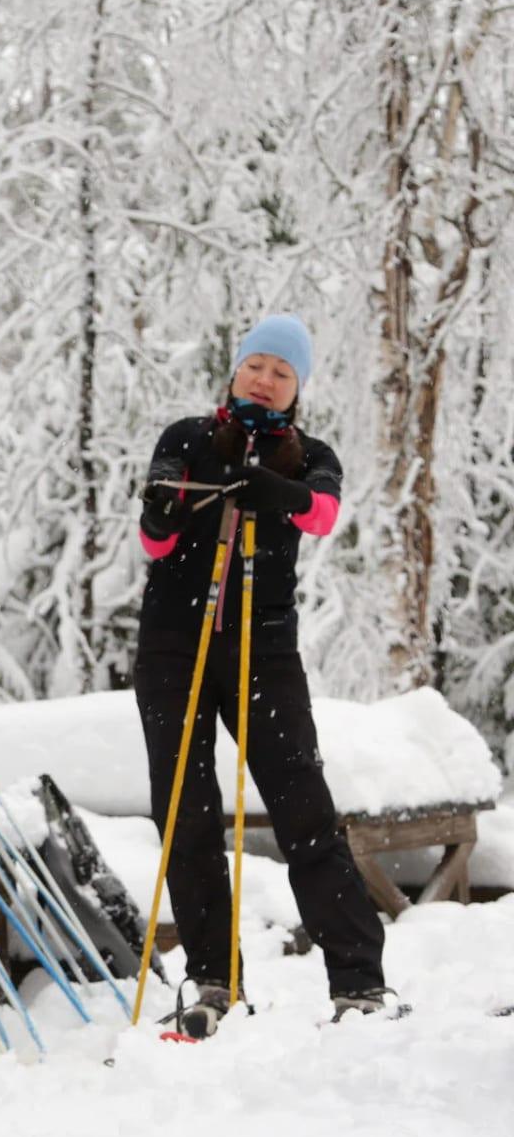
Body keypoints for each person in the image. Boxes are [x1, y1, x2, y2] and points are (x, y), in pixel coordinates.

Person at [134, 313, 394, 1038]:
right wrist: (165, 506)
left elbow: (323, 514)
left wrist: (276, 491)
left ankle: (360, 979)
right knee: (183, 814)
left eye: (282, 372)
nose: (266, 378)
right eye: (258, 364)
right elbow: (154, 541)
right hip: (174, 649)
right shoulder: (186, 438)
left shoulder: (309, 454)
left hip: (262, 650)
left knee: (303, 806)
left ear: (296, 387)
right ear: (236, 367)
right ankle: (213, 977)